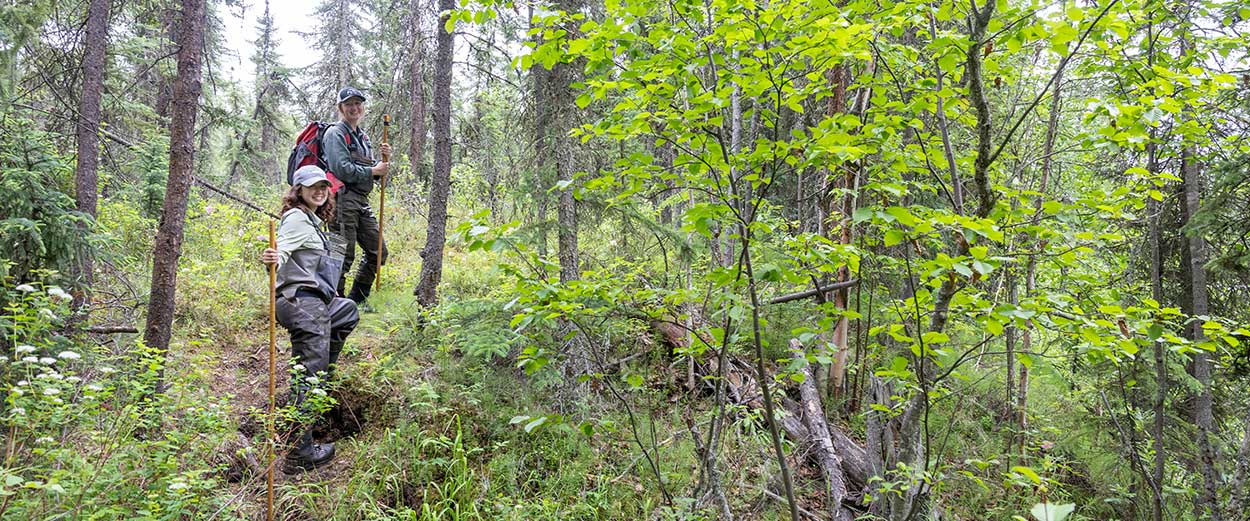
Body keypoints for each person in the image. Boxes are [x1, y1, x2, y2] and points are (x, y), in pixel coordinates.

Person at [261, 165, 360, 473]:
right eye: (312, 186)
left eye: (323, 186)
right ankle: (298, 453)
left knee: (347, 311)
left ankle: (320, 377)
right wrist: (274, 258)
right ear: (298, 190)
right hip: (302, 302)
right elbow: (283, 251)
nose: (319, 190)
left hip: (315, 302)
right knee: (308, 378)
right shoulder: (294, 218)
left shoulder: (312, 220)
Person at [323, 86, 391, 308]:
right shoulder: (335, 133)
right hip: (341, 200)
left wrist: (380, 165)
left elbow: (370, 171)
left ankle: (356, 301)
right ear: (340, 108)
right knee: (340, 254)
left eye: (357, 103)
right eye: (349, 104)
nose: (354, 108)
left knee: (378, 251)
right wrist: (374, 171)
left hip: (361, 200)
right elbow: (341, 169)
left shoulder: (363, 137)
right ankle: (334, 304)